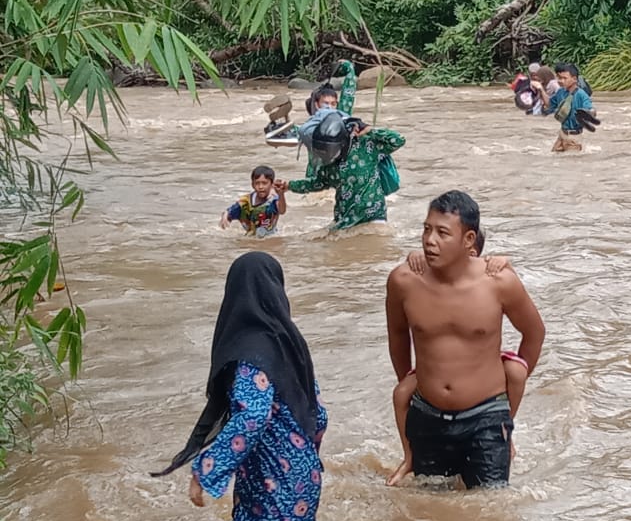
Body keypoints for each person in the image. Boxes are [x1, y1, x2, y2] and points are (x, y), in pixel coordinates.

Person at [150, 252, 328, 521]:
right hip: (302, 479)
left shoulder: (250, 353)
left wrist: (205, 470)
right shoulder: (287, 343)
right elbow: (319, 415)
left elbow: (253, 416)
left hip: (274, 484)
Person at [384, 191, 545, 489]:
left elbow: (534, 333)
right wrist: (412, 380)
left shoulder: (499, 282)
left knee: (489, 514)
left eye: (442, 233)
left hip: (486, 415)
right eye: (426, 229)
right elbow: (397, 335)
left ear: (469, 240)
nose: (430, 240)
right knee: (428, 513)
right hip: (427, 414)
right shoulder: (403, 281)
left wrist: (510, 394)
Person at [275, 60, 406, 232]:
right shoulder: (313, 136)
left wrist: (370, 130)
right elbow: (316, 183)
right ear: (316, 104)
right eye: (325, 103)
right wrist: (289, 186)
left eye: (333, 104)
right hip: (343, 221)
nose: (329, 107)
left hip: (373, 218)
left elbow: (398, 139)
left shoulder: (365, 144)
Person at [540, 63, 598, 152]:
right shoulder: (560, 92)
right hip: (562, 133)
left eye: (564, 78)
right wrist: (540, 90)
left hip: (574, 138)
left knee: (571, 163)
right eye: (559, 78)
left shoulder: (581, 95)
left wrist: (590, 113)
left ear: (574, 79)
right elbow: (549, 104)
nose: (561, 81)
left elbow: (590, 109)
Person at [219, 166, 287, 238]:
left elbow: (282, 210)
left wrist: (281, 194)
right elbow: (229, 212)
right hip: (251, 237)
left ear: (272, 184)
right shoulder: (245, 202)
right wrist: (225, 216)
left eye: (264, 183)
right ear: (252, 185)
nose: (260, 187)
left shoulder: (274, 199)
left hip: (271, 237)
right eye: (257, 183)